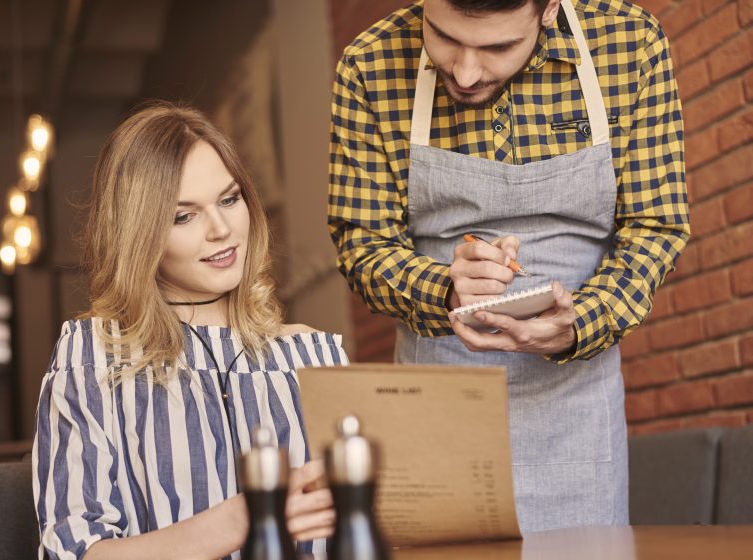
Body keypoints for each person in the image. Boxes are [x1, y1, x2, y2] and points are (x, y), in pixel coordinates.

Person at [328, 0, 688, 532]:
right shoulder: (369, 64)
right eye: (444, 37)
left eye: (498, 47)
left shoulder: (629, 42)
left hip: (575, 411)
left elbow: (656, 227)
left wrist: (578, 324)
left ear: (548, 10)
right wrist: (444, 288)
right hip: (437, 406)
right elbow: (361, 242)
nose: (466, 72)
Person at [34, 102, 347, 559]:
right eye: (184, 216)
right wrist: (244, 518)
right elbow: (72, 552)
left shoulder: (311, 356)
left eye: (229, 199)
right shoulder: (93, 358)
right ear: (139, 235)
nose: (222, 229)